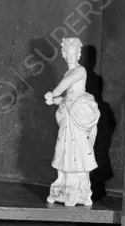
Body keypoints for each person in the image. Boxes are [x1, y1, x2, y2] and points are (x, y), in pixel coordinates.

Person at [45, 36, 99, 207]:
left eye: (73, 54)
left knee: (78, 149)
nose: (70, 57)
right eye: (67, 54)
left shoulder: (79, 71)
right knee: (63, 148)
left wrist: (54, 93)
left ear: (78, 54)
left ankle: (77, 184)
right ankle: (63, 180)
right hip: (69, 112)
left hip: (78, 112)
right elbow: (66, 98)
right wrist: (54, 100)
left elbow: (66, 85)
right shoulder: (68, 72)